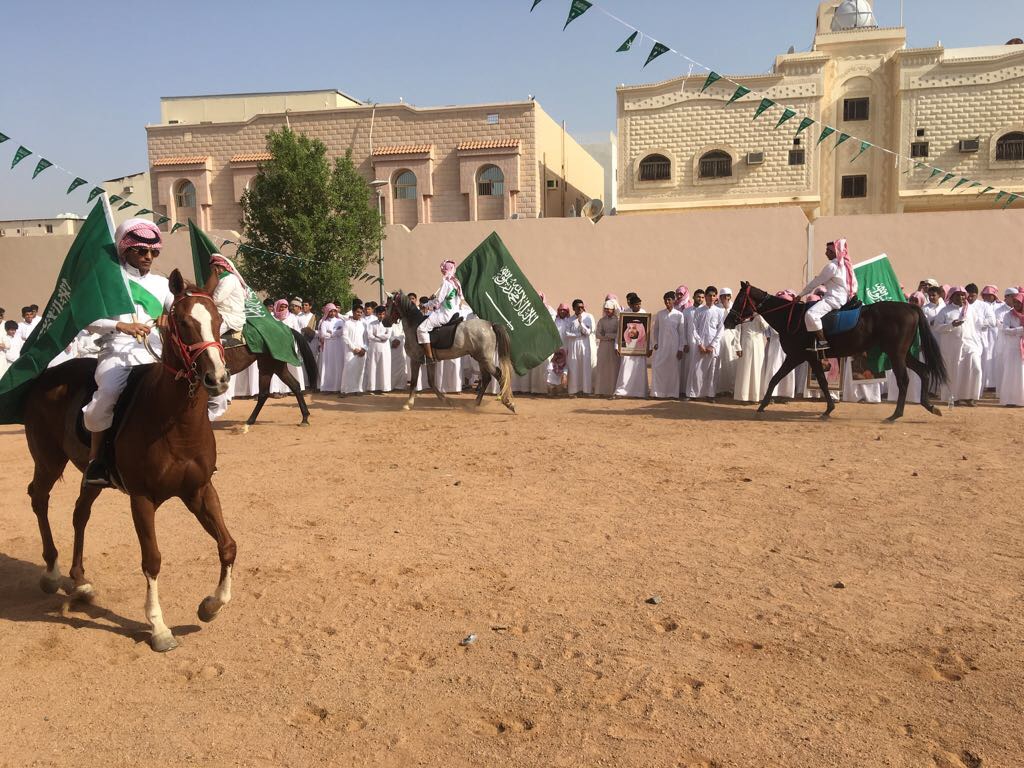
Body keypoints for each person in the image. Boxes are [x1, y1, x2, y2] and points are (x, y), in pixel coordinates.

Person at [81, 219, 173, 487]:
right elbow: (88, 319)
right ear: (125, 250)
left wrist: (170, 316)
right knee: (108, 392)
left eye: (153, 252)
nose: (148, 257)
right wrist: (121, 325)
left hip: (156, 350)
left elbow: (178, 309)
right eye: (142, 251)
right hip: (117, 350)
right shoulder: (108, 280)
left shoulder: (162, 283)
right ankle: (96, 460)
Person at [799, 239, 857, 352]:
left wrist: (800, 295)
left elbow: (815, 283)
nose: (826, 253)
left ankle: (822, 342)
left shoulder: (832, 266)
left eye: (828, 251)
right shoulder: (844, 265)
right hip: (842, 298)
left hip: (834, 299)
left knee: (810, 314)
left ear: (835, 252)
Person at [932, 286, 983, 406]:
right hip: (951, 347)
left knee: (975, 368)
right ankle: (954, 397)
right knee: (954, 372)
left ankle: (970, 396)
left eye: (962, 295)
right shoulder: (945, 311)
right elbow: (937, 327)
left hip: (970, 345)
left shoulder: (971, 310)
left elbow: (977, 327)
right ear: (951, 296)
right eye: (958, 295)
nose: (961, 297)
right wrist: (951, 325)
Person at [416, 260, 463, 364]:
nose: (442, 272)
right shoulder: (456, 282)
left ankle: (429, 357)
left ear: (446, 270)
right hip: (455, 312)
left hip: (445, 314)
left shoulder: (446, 283)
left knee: (421, 329)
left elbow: (438, 301)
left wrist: (425, 305)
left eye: (443, 270)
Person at [686, 287, 725, 401]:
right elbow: (694, 329)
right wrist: (699, 344)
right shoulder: (698, 311)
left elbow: (720, 329)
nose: (711, 298)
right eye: (709, 295)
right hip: (701, 346)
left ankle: (710, 395)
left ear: (716, 297)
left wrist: (712, 345)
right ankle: (694, 394)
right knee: (697, 370)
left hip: (713, 347)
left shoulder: (720, 312)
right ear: (706, 296)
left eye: (714, 295)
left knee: (712, 371)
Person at [613, 293, 649, 398]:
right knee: (625, 369)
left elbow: (647, 332)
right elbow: (620, 331)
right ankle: (621, 392)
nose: (638, 306)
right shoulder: (625, 314)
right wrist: (617, 346)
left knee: (639, 370)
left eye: (639, 304)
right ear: (631, 306)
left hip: (640, 347)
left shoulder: (644, 313)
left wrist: (649, 347)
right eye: (636, 305)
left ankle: (640, 392)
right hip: (627, 347)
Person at [650, 291, 684, 399]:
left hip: (674, 348)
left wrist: (680, 349)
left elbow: (682, 333)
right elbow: (655, 330)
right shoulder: (660, 314)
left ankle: (672, 394)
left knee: (673, 371)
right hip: (662, 347)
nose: (667, 301)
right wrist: (655, 343)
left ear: (674, 301)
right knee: (658, 368)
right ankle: (657, 393)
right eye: (665, 300)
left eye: (669, 299)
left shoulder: (679, 315)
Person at [733, 310, 769, 403]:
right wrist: (737, 347)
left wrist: (759, 315)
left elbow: (765, 327)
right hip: (745, 344)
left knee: (757, 370)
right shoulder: (741, 315)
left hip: (758, 346)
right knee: (745, 370)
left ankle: (756, 397)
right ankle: (743, 396)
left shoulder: (760, 315)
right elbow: (737, 332)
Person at [997, 291, 1024, 407]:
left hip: (1022, 349)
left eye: (1018, 302)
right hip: (1011, 348)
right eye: (1014, 302)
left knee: (1021, 374)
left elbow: (1010, 330)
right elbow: (1005, 330)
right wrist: (1019, 330)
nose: (1016, 304)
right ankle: (1009, 400)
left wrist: (1014, 330)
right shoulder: (1008, 315)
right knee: (1010, 373)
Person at [564, 299, 593, 396]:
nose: (581, 309)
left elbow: (588, 332)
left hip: (584, 345)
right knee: (574, 366)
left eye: (582, 307)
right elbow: (567, 333)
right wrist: (578, 334)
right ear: (573, 308)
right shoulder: (570, 319)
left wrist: (581, 323)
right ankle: (573, 390)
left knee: (585, 367)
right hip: (573, 345)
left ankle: (586, 390)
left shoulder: (588, 317)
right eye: (578, 307)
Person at [716, 288, 741, 395]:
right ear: (720, 297)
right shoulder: (716, 308)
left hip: (732, 338)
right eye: (723, 296)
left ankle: (732, 389)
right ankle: (720, 389)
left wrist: (738, 345)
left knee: (731, 364)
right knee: (719, 364)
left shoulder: (735, 309)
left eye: (728, 296)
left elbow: (738, 327)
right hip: (719, 339)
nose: (726, 298)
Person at [594, 299, 620, 397]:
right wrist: (609, 336)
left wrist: (607, 335)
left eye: (609, 309)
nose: (607, 311)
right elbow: (598, 334)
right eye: (606, 309)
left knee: (613, 368)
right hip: (603, 346)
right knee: (603, 367)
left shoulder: (617, 320)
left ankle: (612, 390)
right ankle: (601, 390)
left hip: (614, 346)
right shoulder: (602, 320)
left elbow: (618, 335)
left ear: (613, 310)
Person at [340, 301, 368, 395]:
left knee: (360, 370)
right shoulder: (347, 323)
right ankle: (345, 390)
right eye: (357, 312)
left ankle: (357, 389)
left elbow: (366, 338)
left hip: (361, 350)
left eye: (361, 312)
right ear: (353, 312)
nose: (359, 314)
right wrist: (353, 348)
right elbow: (345, 336)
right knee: (348, 369)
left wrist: (364, 349)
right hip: (350, 350)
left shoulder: (363, 324)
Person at [364, 305, 392, 394]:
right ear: (376, 314)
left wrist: (377, 336)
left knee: (384, 367)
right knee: (373, 367)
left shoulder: (389, 324)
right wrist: (380, 338)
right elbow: (370, 336)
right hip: (374, 348)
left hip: (385, 348)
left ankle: (384, 388)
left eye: (383, 314)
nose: (382, 316)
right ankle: (372, 388)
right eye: (380, 314)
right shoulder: (371, 324)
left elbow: (387, 336)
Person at [317, 304, 344, 393]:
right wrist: (334, 334)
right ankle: (328, 387)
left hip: (338, 346)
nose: (332, 313)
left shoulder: (340, 321)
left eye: (334, 311)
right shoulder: (324, 322)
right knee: (328, 365)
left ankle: (338, 387)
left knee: (338, 365)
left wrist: (331, 333)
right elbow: (323, 335)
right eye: (330, 311)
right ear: (327, 312)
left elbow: (342, 332)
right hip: (328, 347)